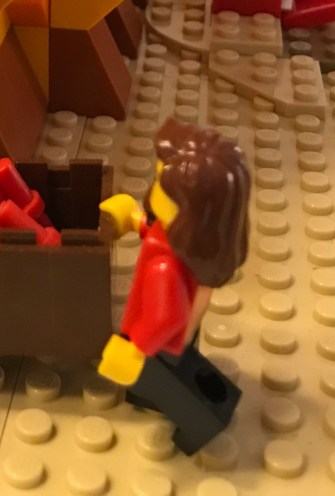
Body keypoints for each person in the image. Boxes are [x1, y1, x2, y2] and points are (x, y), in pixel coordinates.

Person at [98, 119, 250, 453]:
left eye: (162, 186)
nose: (154, 188)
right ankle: (145, 395)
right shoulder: (194, 242)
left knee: (163, 379)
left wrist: (134, 350)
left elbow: (165, 318)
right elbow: (159, 235)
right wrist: (134, 220)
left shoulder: (165, 269)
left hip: (158, 346)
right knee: (168, 371)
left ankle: (198, 427)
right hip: (180, 336)